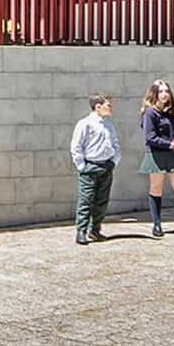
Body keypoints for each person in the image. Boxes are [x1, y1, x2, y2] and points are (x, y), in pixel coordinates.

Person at [138, 79, 174, 237]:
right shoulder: (150, 112)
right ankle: (157, 225)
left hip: (173, 155)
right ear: (154, 94)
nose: (164, 94)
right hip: (157, 155)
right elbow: (150, 138)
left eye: (167, 91)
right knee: (156, 188)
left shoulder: (170, 112)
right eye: (161, 91)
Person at [68, 93, 120, 245]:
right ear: (98, 106)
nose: (111, 108)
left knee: (102, 201)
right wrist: (82, 166)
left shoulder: (108, 124)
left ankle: (95, 229)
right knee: (86, 200)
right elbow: (76, 147)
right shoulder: (85, 124)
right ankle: (81, 231)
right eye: (108, 105)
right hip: (90, 166)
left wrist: (114, 161)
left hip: (106, 166)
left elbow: (115, 144)